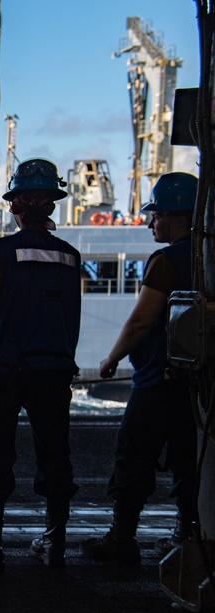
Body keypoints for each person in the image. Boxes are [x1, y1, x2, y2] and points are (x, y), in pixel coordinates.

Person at [0, 158, 81, 573]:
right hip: (53, 366)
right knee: (54, 452)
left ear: (16, 204)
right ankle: (54, 540)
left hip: (4, 366)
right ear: (52, 204)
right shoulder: (70, 256)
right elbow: (70, 317)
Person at [81, 173, 198, 564]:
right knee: (189, 459)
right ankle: (188, 539)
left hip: (158, 379)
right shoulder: (206, 257)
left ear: (181, 218)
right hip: (198, 384)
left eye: (158, 215)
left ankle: (122, 538)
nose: (151, 223)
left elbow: (141, 321)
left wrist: (111, 358)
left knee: (133, 454)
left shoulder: (166, 261)